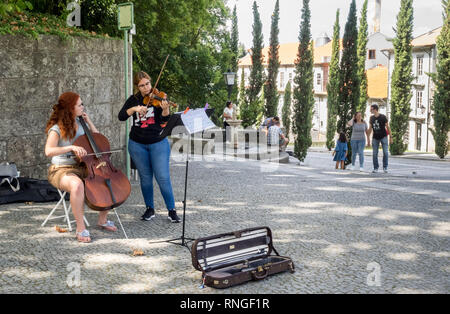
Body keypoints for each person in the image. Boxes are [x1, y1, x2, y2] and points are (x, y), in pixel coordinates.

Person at [45, 92, 118, 243]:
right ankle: (81, 228)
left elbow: (99, 141)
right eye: (80, 105)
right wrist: (70, 147)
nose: (83, 107)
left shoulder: (81, 124)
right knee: (77, 185)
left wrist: (89, 122)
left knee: (105, 177)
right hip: (61, 169)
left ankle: (102, 220)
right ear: (70, 108)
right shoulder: (56, 128)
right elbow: (48, 151)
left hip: (82, 165)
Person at [118, 71, 180, 223]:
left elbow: (164, 120)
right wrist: (134, 109)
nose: (146, 88)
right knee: (145, 178)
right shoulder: (133, 100)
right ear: (137, 87)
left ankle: (171, 210)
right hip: (137, 144)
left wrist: (165, 109)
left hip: (158, 142)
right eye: (142, 85)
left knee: (163, 177)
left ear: (151, 83)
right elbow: (121, 116)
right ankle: (149, 209)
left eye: (147, 84)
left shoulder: (159, 98)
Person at [367, 104, 393, 173]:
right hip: (375, 138)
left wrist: (391, 137)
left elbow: (388, 127)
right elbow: (370, 128)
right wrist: (368, 138)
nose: (370, 110)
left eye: (371, 109)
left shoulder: (383, 117)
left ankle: (385, 167)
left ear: (375, 109)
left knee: (385, 152)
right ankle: (375, 168)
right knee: (375, 153)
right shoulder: (371, 118)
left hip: (383, 137)